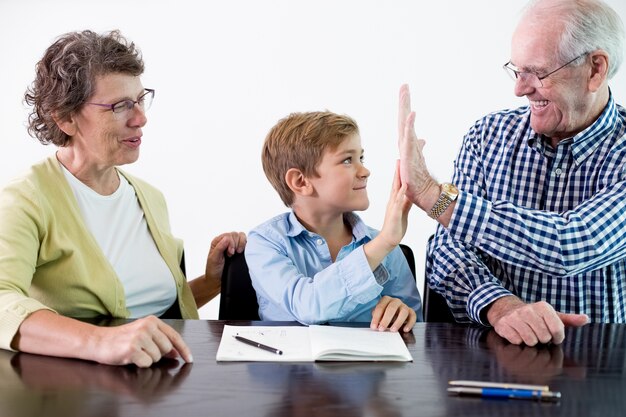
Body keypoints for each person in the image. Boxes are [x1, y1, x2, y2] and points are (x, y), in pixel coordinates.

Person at [0, 30, 246, 367]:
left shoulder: (149, 198)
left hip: (157, 385)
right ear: (65, 117)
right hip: (75, 392)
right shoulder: (25, 199)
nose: (140, 118)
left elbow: (147, 312)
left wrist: (212, 282)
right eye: (119, 106)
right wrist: (100, 342)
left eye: (140, 99)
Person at [398, 0, 625, 345]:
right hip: (493, 356)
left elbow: (573, 243)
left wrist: (434, 196)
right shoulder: (487, 136)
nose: (519, 89)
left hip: (597, 365)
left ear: (595, 69)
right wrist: (499, 305)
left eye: (538, 72)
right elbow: (447, 247)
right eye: (517, 70)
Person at [245, 111, 422, 332]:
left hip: (364, 365)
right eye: (347, 160)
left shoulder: (385, 246)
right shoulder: (265, 243)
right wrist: (384, 243)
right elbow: (307, 305)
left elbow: (416, 324)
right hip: (289, 365)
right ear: (300, 181)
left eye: (361, 158)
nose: (365, 171)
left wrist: (403, 313)